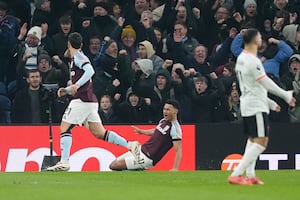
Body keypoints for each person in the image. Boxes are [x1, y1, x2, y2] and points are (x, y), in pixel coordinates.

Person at [46, 32, 139, 171]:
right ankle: (131, 145)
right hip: (89, 101)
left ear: (69, 44)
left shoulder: (79, 57)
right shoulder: (75, 58)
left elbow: (90, 71)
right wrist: (66, 89)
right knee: (100, 133)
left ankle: (64, 161)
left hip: (82, 100)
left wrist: (76, 85)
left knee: (64, 128)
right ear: (82, 44)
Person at [227, 28, 296, 185]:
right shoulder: (253, 60)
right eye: (258, 37)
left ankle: (250, 175)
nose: (260, 39)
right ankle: (236, 174)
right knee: (261, 141)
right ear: (254, 40)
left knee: (253, 139)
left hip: (248, 103)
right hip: (256, 106)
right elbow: (264, 81)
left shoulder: (241, 59)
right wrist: (285, 95)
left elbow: (253, 85)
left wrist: (271, 103)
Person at [109, 99, 182, 171]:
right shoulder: (163, 121)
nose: (165, 111)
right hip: (141, 150)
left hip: (148, 158)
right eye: (164, 109)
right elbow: (156, 131)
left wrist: (175, 168)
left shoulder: (175, 128)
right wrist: (141, 131)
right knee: (113, 164)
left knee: (116, 165)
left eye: (168, 110)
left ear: (175, 111)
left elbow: (178, 149)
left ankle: (138, 169)